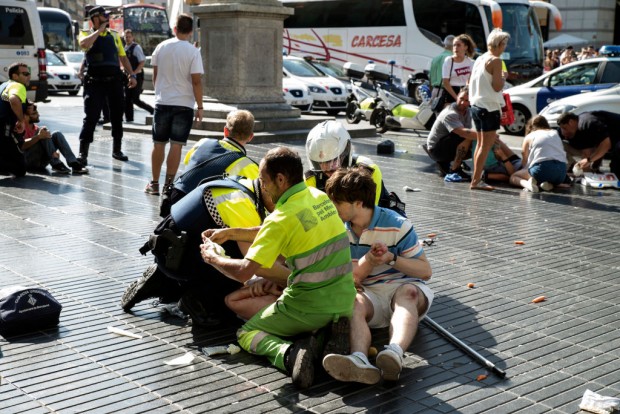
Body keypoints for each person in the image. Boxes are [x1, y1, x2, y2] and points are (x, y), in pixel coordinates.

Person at [200, 147, 356, 389]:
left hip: (309, 306)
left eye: (263, 181)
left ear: (280, 179)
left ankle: (289, 354)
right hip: (345, 300)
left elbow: (244, 272)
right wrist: (231, 233)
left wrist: (213, 258)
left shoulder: (280, 218)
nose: (262, 187)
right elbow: (278, 231)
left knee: (246, 333)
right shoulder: (318, 197)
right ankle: (324, 336)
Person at [121, 175, 286, 327]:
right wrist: (292, 280)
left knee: (237, 249)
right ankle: (198, 300)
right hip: (178, 256)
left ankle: (165, 281)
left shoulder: (246, 183)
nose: (283, 207)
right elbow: (256, 264)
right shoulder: (241, 204)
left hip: (171, 248)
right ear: (268, 185)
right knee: (237, 272)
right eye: (283, 199)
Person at [321, 168, 432, 384]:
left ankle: (394, 353)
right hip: (369, 293)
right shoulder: (337, 230)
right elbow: (352, 279)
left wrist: (391, 258)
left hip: (401, 288)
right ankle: (359, 359)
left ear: (358, 203)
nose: (332, 207)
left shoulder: (397, 224)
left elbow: (425, 272)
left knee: (408, 292)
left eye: (337, 202)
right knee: (352, 301)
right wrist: (370, 261)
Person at [146, 13, 204, 196]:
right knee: (176, 145)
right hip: (184, 104)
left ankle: (154, 184)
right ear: (191, 31)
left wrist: (160, 92)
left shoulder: (161, 47)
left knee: (158, 144)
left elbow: (155, 76)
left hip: (163, 101)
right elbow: (196, 81)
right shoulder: (193, 52)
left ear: (175, 29)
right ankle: (168, 186)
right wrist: (200, 106)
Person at [159, 109, 259, 211]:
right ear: (250, 137)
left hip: (175, 200)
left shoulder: (202, 143)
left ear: (225, 131)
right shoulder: (247, 165)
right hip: (199, 210)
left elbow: (187, 161)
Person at [78, 6, 138, 165]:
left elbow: (123, 58)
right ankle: (83, 153)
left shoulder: (114, 35)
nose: (107, 18)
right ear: (95, 18)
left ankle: (117, 150)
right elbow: (84, 44)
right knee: (91, 117)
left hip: (114, 82)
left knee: (117, 116)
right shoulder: (85, 33)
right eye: (104, 15)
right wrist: (99, 31)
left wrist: (132, 75)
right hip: (94, 83)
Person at [305, 120, 405, 215]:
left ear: (345, 153)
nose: (326, 168)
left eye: (332, 160)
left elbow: (367, 215)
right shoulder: (311, 179)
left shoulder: (368, 171)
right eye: (320, 162)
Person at [468, 29, 510, 190]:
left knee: (480, 145)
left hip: (477, 105)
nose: (505, 47)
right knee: (485, 146)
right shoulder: (496, 61)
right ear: (500, 44)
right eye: (504, 44)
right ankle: (476, 181)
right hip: (489, 107)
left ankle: (475, 178)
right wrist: (504, 76)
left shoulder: (480, 58)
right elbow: (497, 86)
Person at [23, 101, 89, 175]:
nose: (38, 115)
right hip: (28, 162)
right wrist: (38, 137)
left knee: (57, 134)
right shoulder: (20, 128)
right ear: (25, 116)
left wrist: (53, 151)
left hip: (41, 161)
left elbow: (46, 143)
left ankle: (74, 163)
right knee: (44, 133)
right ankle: (56, 163)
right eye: (34, 114)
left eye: (37, 112)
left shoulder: (36, 128)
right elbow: (21, 145)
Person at [425, 87, 477, 180]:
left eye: (466, 100)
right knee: (467, 136)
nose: (462, 102)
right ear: (457, 97)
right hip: (436, 150)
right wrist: (487, 136)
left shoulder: (468, 111)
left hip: (447, 144)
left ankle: (450, 164)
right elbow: (462, 133)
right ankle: (455, 168)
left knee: (475, 140)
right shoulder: (450, 113)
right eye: (461, 98)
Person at [510, 116, 568, 192]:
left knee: (513, 177)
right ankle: (547, 184)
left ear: (530, 127)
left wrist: (524, 170)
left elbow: (524, 157)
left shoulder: (530, 136)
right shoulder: (555, 133)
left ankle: (528, 185)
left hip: (542, 169)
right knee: (547, 175)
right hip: (561, 173)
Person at [558, 111, 620, 177]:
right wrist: (590, 170)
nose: (563, 132)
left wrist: (589, 160)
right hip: (612, 143)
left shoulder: (588, 123)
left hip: (617, 142)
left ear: (571, 122)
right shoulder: (578, 128)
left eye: (564, 128)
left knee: (616, 167)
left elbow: (606, 145)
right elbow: (589, 151)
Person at [0, 62, 30, 177]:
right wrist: (21, 120)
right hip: (3, 128)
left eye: (29, 73)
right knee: (19, 168)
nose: (28, 76)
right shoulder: (18, 86)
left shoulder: (4, 85)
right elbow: (14, 99)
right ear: (15, 76)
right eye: (25, 74)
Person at [123, 29, 154, 122]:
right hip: (128, 76)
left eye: (129, 37)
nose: (128, 38)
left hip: (137, 76)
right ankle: (129, 119)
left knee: (135, 99)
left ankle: (152, 110)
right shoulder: (125, 48)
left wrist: (134, 73)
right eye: (126, 37)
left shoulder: (136, 47)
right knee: (127, 98)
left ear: (133, 37)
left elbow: (142, 62)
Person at [441, 34, 476, 105]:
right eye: (454, 45)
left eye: (458, 45)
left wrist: (466, 94)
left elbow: (471, 80)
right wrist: (457, 98)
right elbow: (445, 82)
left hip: (465, 93)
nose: (455, 47)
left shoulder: (471, 62)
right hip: (451, 93)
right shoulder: (449, 60)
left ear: (465, 47)